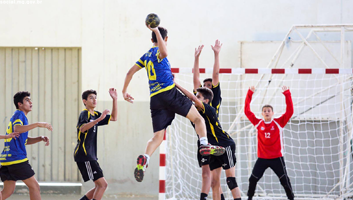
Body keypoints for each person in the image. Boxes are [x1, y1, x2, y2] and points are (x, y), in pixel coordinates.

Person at [122, 25, 224, 182]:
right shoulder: (158, 52)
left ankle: (145, 158)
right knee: (198, 119)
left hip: (155, 98)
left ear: (151, 41)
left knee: (158, 136)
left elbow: (130, 72)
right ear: (166, 39)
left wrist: (124, 91)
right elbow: (164, 52)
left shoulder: (145, 55)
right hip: (169, 93)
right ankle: (204, 144)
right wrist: (156, 29)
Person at [175, 82, 241, 200]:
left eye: (198, 97)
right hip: (212, 149)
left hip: (225, 145)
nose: (195, 99)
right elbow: (183, 100)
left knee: (230, 180)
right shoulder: (193, 113)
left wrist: (175, 83)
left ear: (205, 101)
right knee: (214, 183)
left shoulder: (209, 109)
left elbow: (192, 97)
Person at [244, 86, 294, 200]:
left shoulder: (279, 123)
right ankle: (249, 198)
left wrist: (287, 93)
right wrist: (250, 93)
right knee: (253, 179)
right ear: (262, 113)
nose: (267, 112)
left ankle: (291, 198)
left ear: (272, 113)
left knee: (285, 180)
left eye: (269, 111)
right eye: (265, 111)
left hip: (277, 158)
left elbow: (290, 111)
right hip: (262, 158)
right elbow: (247, 111)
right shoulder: (258, 123)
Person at [0, 91, 52, 200]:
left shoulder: (19, 116)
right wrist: (38, 124)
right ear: (20, 104)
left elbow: (23, 140)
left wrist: (39, 138)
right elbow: (17, 129)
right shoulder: (19, 114)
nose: (30, 102)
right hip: (17, 159)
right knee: (35, 187)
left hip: (6, 160)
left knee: (6, 192)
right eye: (27, 100)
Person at [193, 40, 225, 200]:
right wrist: (196, 58)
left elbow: (216, 75)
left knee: (215, 182)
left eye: (209, 85)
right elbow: (195, 79)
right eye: (204, 85)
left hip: (216, 141)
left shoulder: (213, 100)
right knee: (206, 176)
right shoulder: (198, 101)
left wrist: (216, 54)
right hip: (203, 141)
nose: (206, 86)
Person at [75, 88, 118, 200]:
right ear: (84, 101)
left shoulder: (95, 115)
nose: (94, 100)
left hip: (90, 155)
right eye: (91, 98)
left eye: (95, 97)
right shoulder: (85, 114)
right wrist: (98, 120)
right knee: (102, 185)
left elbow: (114, 118)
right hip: (84, 154)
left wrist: (115, 99)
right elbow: (82, 129)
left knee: (99, 186)